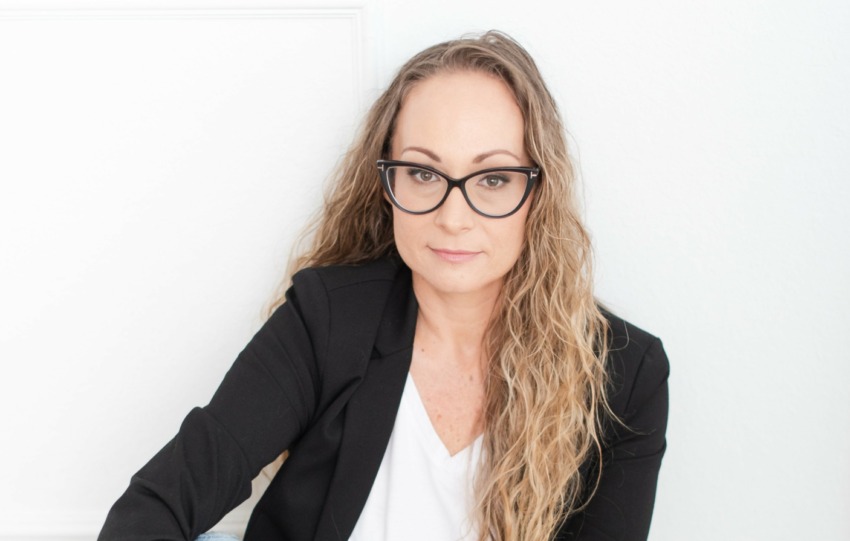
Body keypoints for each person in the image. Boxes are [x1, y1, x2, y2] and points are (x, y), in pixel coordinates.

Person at [98, 30, 669, 541]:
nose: (453, 217)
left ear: (538, 192)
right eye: (423, 173)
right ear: (386, 181)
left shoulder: (624, 376)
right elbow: (156, 506)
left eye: (494, 178)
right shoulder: (327, 319)